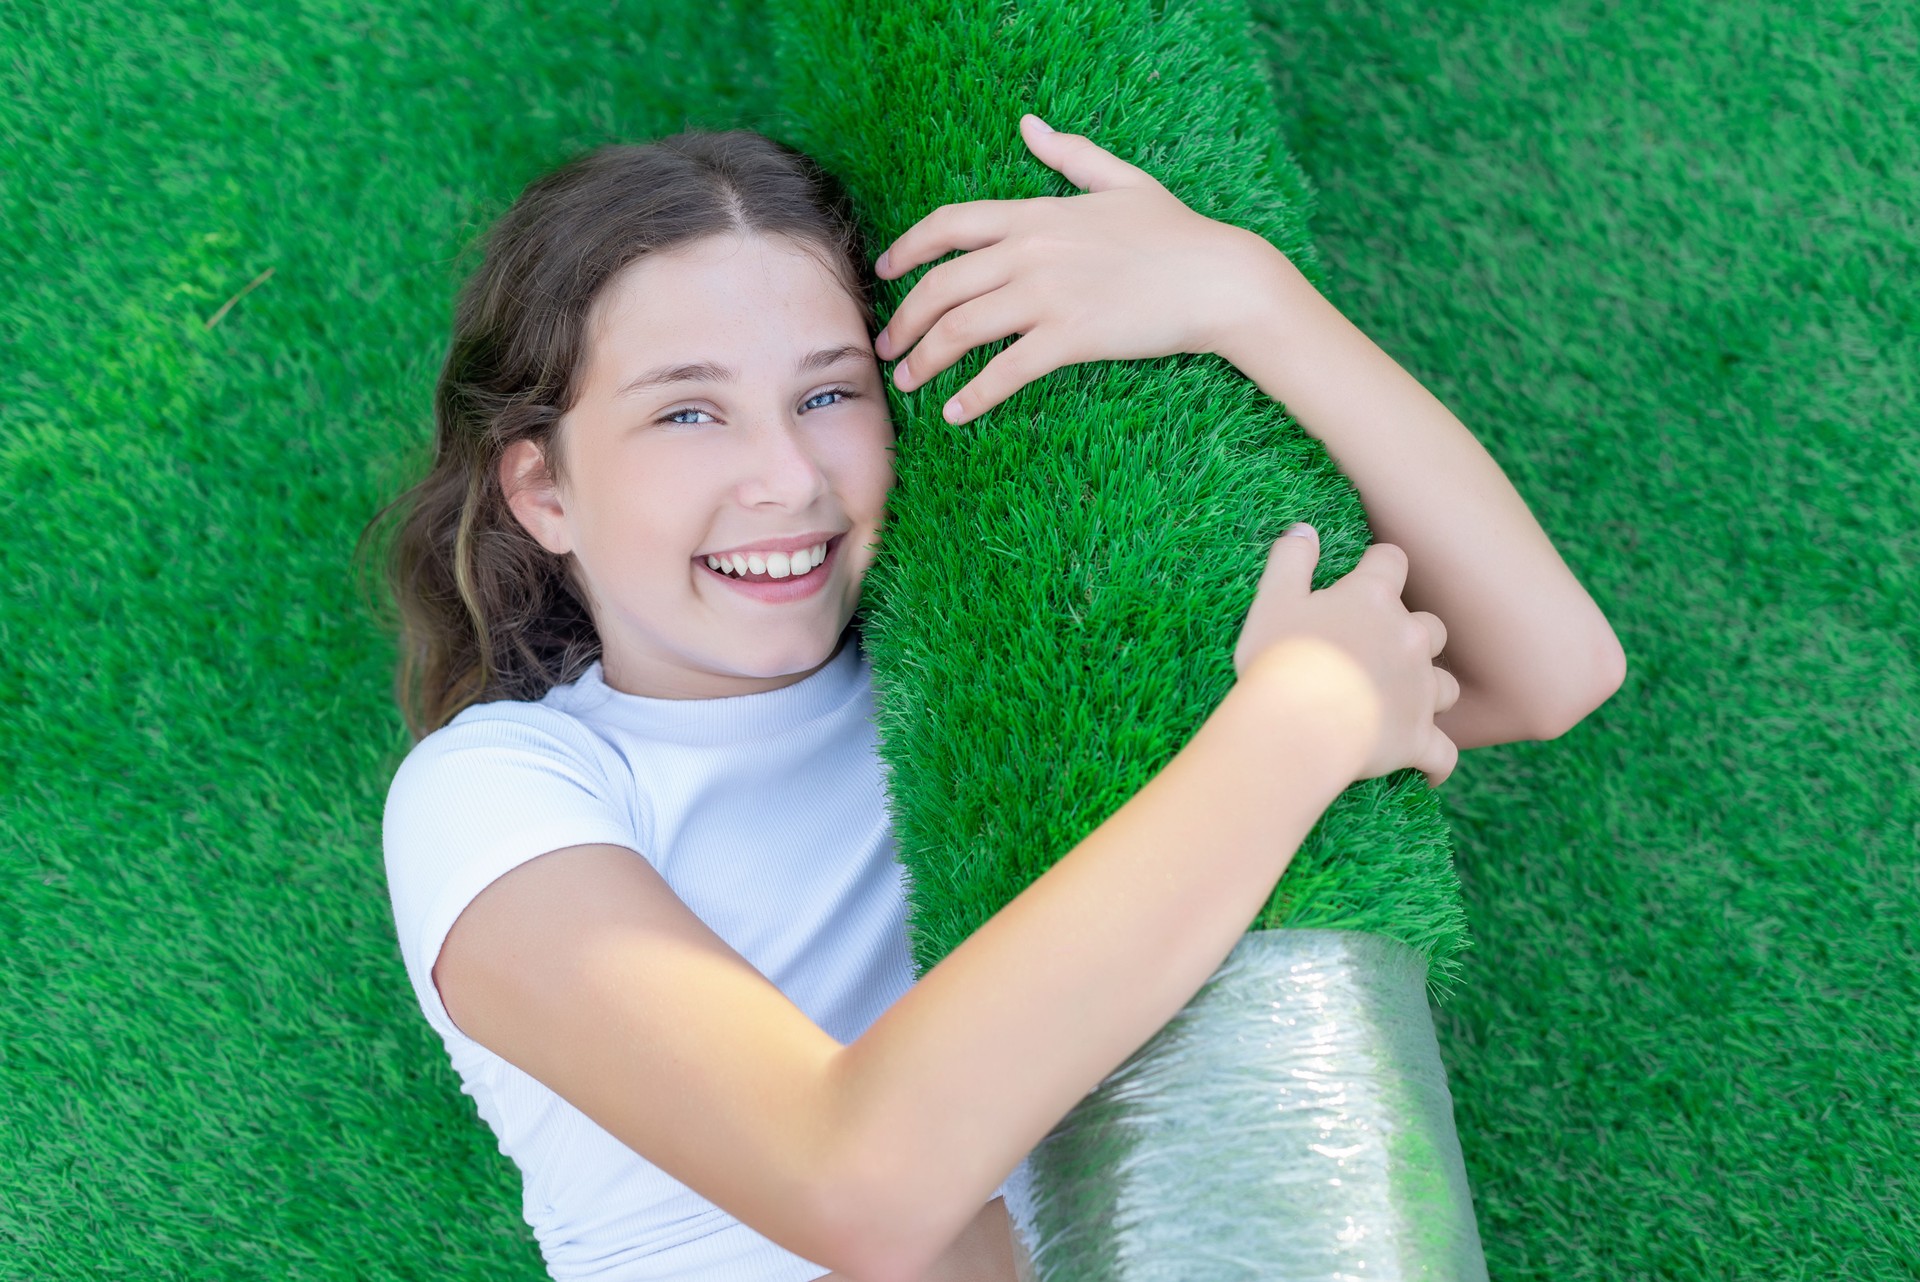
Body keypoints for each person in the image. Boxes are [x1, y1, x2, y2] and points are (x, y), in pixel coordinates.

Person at [368, 114, 1469, 1282]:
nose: (788, 477)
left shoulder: (961, 697)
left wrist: (1248, 297)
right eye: (688, 411)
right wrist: (1303, 721)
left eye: (829, 394)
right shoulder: (499, 790)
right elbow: (855, 1186)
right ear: (543, 489)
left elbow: (1546, 671)